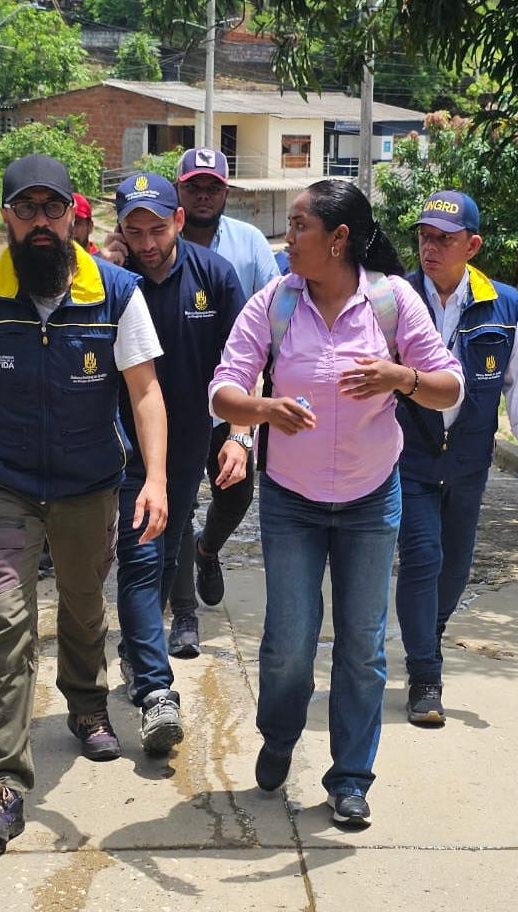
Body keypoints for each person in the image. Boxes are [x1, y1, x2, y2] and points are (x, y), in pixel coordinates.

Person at [0, 155, 170, 855]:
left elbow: (144, 390)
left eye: (50, 210)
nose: (38, 223)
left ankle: (87, 704)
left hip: (90, 482)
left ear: (70, 216)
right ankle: (1, 784)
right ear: (7, 216)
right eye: (24, 210)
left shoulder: (116, 292)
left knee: (85, 601)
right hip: (5, 479)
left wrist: (155, 479)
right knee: (1, 619)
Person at [210, 180, 462, 829]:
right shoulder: (275, 302)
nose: (287, 238)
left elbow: (447, 387)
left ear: (338, 238)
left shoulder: (391, 302)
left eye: (298, 226)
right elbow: (223, 390)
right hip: (290, 501)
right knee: (290, 642)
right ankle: (279, 732)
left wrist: (398, 377)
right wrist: (262, 409)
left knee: (361, 646)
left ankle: (350, 777)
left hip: (371, 497)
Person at [395, 191, 518, 727]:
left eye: (445, 238)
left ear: (473, 245)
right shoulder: (394, 298)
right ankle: (425, 674)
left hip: (468, 459)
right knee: (423, 558)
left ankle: (427, 633)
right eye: (424, 236)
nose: (430, 248)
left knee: (456, 566)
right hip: (407, 455)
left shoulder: (504, 305)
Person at [109, 172, 247, 753]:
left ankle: (140, 643)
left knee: (166, 554)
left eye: (156, 229)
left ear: (179, 222)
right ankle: (154, 688)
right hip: (124, 447)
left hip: (191, 440)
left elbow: (246, 357)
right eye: (134, 231)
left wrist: (240, 433)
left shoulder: (213, 276)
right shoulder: (110, 283)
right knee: (140, 554)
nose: (146, 242)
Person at [165, 148, 280, 655]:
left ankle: (207, 549)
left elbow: (267, 331)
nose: (204, 195)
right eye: (194, 186)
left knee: (235, 494)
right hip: (172, 401)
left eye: (213, 187)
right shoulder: (156, 242)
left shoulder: (250, 244)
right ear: (179, 192)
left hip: (233, 397)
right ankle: (184, 615)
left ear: (226, 192)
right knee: (178, 503)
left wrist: (242, 427)